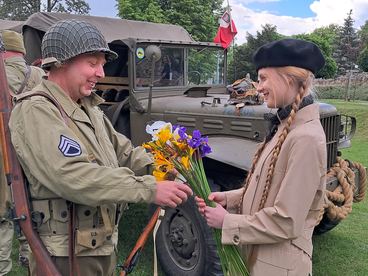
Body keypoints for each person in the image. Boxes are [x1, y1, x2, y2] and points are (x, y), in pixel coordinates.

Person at [9, 19, 192, 276]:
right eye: (92, 64)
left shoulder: (89, 109)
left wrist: (169, 167)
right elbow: (72, 176)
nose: (101, 74)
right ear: (61, 62)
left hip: (96, 245)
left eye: (102, 65)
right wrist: (149, 189)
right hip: (63, 254)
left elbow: (124, 153)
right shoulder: (37, 110)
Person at [196, 38, 327, 275]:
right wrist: (232, 198)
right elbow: (271, 189)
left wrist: (226, 222)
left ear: (288, 79)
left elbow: (286, 221)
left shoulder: (305, 138)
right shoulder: (286, 126)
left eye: (264, 78)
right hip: (260, 261)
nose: (258, 87)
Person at [0, 29, 45, 274]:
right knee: (30, 209)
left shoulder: (3, 75)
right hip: (33, 153)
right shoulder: (40, 75)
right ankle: (30, 260)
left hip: (3, 155)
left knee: (2, 216)